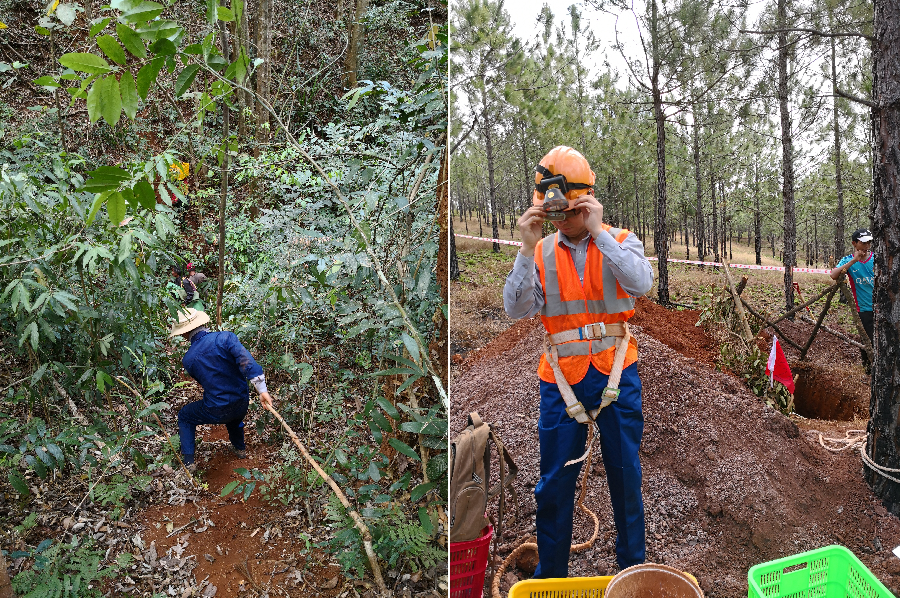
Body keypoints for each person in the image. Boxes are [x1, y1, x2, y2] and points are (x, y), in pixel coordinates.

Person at [503, 146, 654, 578]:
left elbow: (641, 283)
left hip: (616, 370)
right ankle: (551, 577)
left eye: (570, 211)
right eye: (555, 213)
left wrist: (598, 232)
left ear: (586, 200)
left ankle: (632, 571)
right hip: (560, 379)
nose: (563, 220)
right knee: (554, 482)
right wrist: (526, 248)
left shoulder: (620, 240)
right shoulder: (541, 251)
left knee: (625, 475)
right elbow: (515, 308)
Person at [169, 308, 274, 472]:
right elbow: (247, 363)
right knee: (234, 418)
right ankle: (240, 449)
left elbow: (205, 381)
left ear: (184, 333)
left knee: (185, 416)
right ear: (202, 323)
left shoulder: (188, 359)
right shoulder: (226, 338)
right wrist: (262, 391)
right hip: (241, 403)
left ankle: (188, 463)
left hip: (216, 409)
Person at [830, 228, 875, 368]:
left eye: (869, 242)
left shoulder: (877, 258)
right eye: (863, 243)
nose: (867, 246)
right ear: (854, 243)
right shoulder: (848, 260)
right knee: (867, 339)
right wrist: (854, 260)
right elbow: (833, 275)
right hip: (864, 308)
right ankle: (868, 369)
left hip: (883, 306)